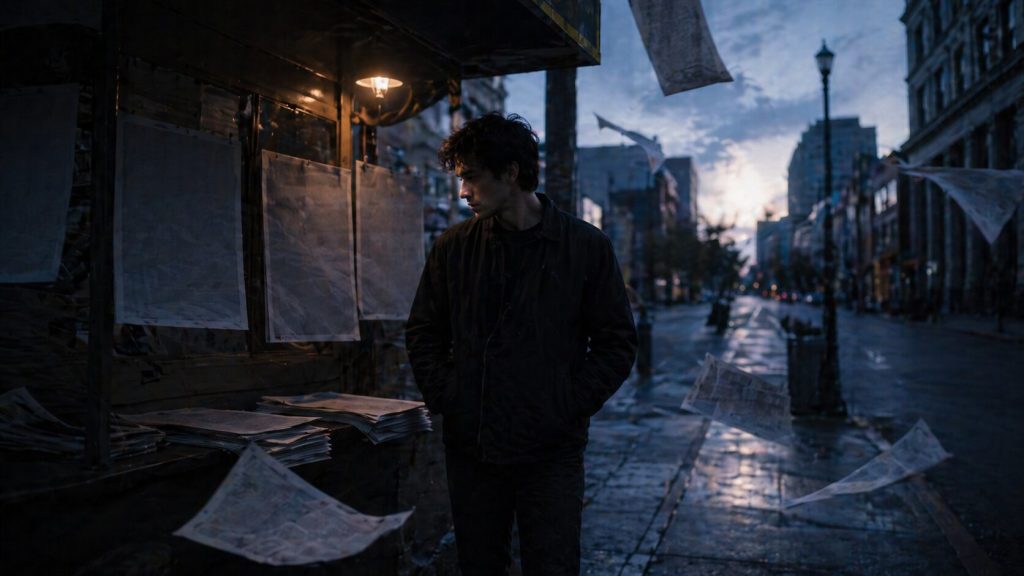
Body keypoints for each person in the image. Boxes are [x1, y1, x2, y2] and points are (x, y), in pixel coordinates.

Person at [405, 112, 637, 575]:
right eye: (460, 178)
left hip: (550, 450)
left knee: (551, 563)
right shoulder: (454, 247)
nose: (463, 191)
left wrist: (566, 404)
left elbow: (616, 343)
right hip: (474, 447)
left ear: (511, 172)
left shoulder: (584, 246)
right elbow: (423, 332)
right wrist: (454, 398)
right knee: (479, 563)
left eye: (471, 176)